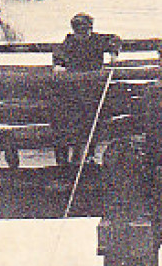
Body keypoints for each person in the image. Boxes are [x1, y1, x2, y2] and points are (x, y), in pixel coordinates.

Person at [51, 12, 121, 167]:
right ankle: (72, 155)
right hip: (74, 88)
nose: (82, 35)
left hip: (93, 88)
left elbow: (115, 39)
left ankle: (89, 153)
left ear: (90, 29)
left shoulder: (97, 40)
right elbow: (58, 54)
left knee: (93, 120)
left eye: (86, 31)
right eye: (79, 32)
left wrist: (114, 54)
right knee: (73, 120)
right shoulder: (69, 41)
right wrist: (58, 65)